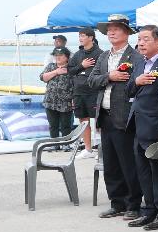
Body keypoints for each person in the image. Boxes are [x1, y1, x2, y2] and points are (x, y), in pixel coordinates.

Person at [86, 15, 144, 220]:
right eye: (109, 29)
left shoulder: (136, 57)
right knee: (110, 163)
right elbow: (91, 81)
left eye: (116, 29)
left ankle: (134, 204)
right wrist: (108, 77)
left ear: (127, 32)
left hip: (125, 116)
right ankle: (116, 202)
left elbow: (138, 87)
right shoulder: (103, 57)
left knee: (128, 162)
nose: (111, 32)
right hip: (105, 115)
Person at [126, 26, 158, 230]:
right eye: (139, 39)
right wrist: (136, 81)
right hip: (138, 124)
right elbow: (128, 89)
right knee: (143, 172)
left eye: (146, 39)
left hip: (156, 125)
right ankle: (149, 210)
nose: (141, 43)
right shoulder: (139, 63)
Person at [69, 27, 103, 158]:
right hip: (79, 92)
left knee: (100, 121)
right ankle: (88, 149)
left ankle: (102, 150)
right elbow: (70, 70)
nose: (80, 38)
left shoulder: (100, 53)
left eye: (83, 36)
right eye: (79, 36)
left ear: (91, 37)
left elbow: (103, 72)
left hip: (94, 92)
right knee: (84, 121)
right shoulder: (78, 54)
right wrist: (81, 66)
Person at [39, 47, 76, 140]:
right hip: (50, 101)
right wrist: (56, 72)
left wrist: (74, 100)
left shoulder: (72, 69)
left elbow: (76, 85)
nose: (57, 57)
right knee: (53, 125)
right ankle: (54, 144)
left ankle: (66, 144)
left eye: (60, 55)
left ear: (67, 57)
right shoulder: (50, 66)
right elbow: (43, 78)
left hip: (66, 102)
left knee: (66, 125)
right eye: (56, 55)